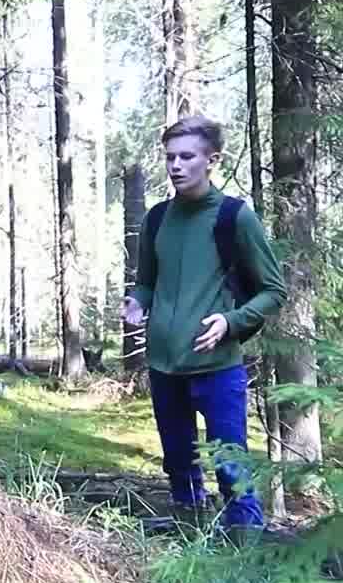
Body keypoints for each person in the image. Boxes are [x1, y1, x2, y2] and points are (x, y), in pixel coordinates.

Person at [123, 115, 287, 533]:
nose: (176, 165)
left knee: (232, 469)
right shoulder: (157, 219)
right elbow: (146, 282)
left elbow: (273, 290)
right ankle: (190, 541)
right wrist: (137, 303)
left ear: (212, 160)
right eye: (170, 157)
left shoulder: (234, 217)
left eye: (187, 156)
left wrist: (231, 322)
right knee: (179, 464)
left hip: (218, 369)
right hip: (163, 369)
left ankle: (245, 554)